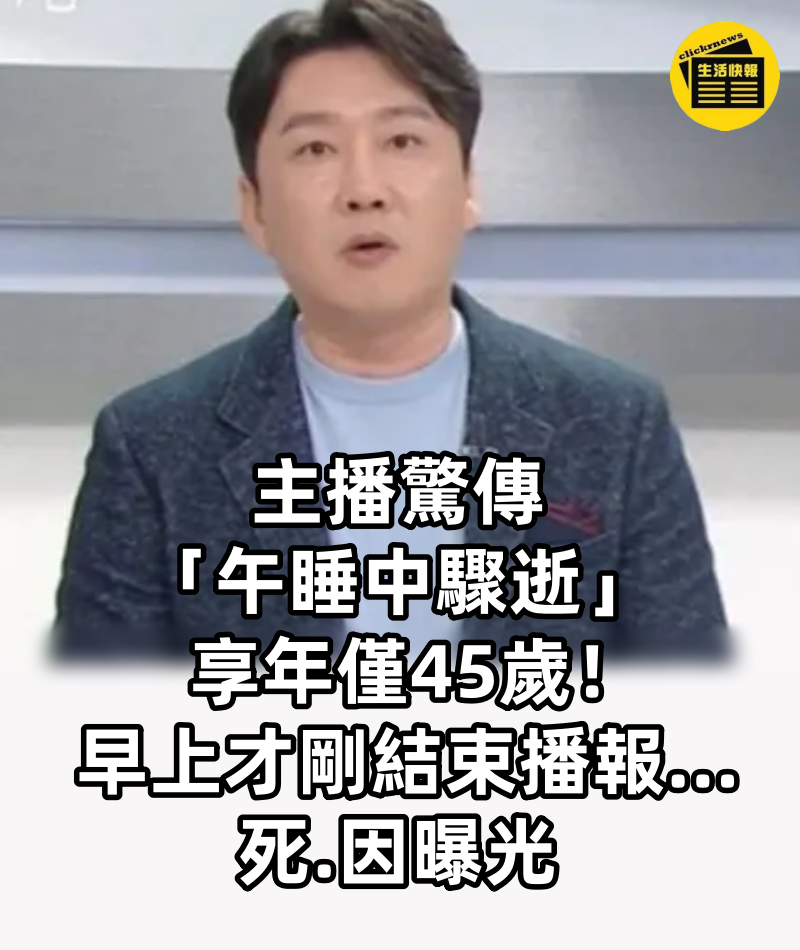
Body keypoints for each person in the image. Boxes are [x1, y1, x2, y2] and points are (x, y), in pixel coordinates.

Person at [52, 0, 729, 661]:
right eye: (315, 148)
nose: (364, 189)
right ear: (254, 209)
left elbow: (690, 705)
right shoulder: (151, 447)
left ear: (468, 185)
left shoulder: (617, 424)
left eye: (402, 141)